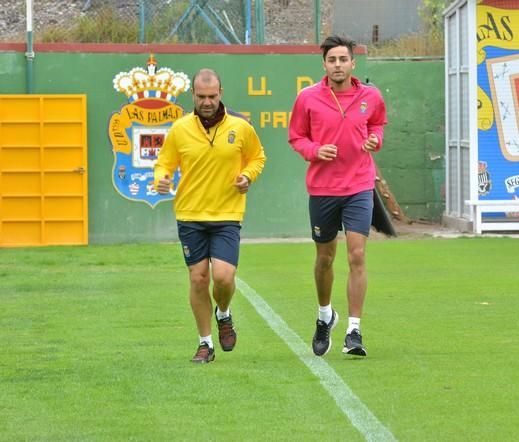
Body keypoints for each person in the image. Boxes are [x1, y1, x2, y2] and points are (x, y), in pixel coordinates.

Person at [154, 68, 266, 363]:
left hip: (227, 213)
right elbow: (164, 163)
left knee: (224, 278)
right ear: (192, 95)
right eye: (201, 96)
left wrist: (248, 176)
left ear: (221, 94)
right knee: (198, 279)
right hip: (190, 214)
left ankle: (224, 313)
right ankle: (205, 343)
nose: (206, 101)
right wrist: (162, 178)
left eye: (212, 96)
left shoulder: (240, 127)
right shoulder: (180, 129)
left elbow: (257, 157)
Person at [288, 35, 387, 357]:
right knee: (325, 258)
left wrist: (375, 140)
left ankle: (354, 331)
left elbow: (378, 125)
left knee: (357, 255)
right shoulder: (307, 98)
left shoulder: (370, 96)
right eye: (332, 60)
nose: (338, 65)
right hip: (322, 189)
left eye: (343, 59)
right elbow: (296, 138)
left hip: (359, 185)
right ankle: (324, 316)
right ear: (325, 65)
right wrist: (316, 150)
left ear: (352, 63)